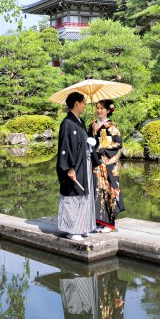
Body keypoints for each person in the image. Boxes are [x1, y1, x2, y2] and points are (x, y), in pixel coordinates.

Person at [56, 91, 98, 240]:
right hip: (74, 165)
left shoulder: (79, 122)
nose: (85, 106)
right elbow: (65, 147)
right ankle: (72, 229)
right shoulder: (67, 123)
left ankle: (84, 226)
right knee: (74, 195)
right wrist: (69, 168)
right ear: (76, 104)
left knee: (85, 194)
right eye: (83, 103)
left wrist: (90, 133)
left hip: (84, 163)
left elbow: (82, 143)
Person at [90, 99, 125, 233]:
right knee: (98, 191)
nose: (99, 111)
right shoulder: (93, 125)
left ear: (108, 111)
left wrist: (104, 148)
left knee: (109, 190)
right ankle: (99, 222)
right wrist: (92, 134)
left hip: (109, 163)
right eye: (97, 108)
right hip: (97, 163)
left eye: (102, 108)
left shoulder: (111, 126)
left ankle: (109, 224)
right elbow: (90, 142)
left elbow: (118, 143)